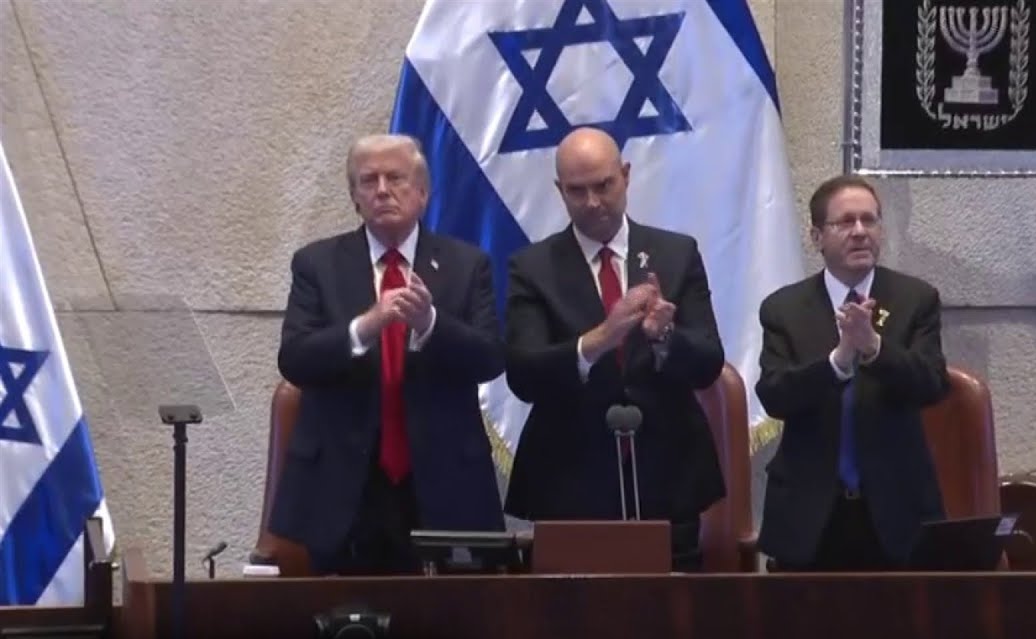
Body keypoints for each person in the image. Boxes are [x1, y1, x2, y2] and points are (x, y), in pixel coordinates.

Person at [269, 134, 506, 575]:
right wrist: (365, 326)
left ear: (423, 192)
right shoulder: (317, 264)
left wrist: (430, 323)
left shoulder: (467, 264)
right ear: (354, 198)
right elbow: (295, 358)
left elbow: (490, 357)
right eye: (368, 181)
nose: (382, 191)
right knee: (347, 616)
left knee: (449, 615)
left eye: (395, 178)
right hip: (344, 488)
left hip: (441, 483)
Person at [503, 127, 725, 572]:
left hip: (668, 472)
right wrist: (600, 338)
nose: (592, 202)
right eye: (577, 191)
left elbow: (708, 362)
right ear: (559, 190)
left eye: (603, 185)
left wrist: (665, 337)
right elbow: (523, 374)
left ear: (625, 175)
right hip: (570, 476)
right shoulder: (533, 266)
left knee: (672, 607)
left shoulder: (676, 253)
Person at [755, 174, 949, 571]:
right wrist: (838, 361)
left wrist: (874, 347)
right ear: (817, 237)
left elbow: (932, 384)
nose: (860, 232)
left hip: (897, 514)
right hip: (808, 516)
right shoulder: (783, 309)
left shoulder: (915, 299)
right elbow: (775, 395)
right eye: (845, 222)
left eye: (869, 220)